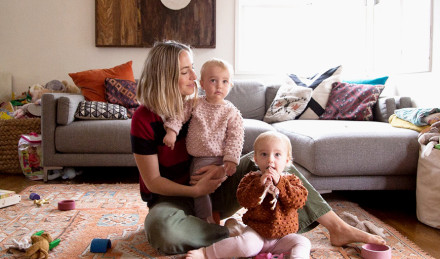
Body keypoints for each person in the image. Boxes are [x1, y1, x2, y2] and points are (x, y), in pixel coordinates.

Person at [130, 40, 385, 255]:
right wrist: (195, 189)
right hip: (172, 199)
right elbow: (153, 181)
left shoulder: (199, 104)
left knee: (271, 158)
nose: (195, 77)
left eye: (193, 69)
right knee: (162, 232)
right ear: (164, 74)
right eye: (185, 71)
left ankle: (337, 227)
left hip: (216, 189)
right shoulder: (144, 118)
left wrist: (222, 170)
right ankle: (232, 232)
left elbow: (226, 146)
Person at [186, 131, 311, 259]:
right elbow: (244, 200)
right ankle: (206, 253)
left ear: (287, 160)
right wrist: (259, 185)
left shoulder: (292, 181)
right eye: (264, 154)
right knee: (245, 246)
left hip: (283, 237)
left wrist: (280, 183)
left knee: (303, 242)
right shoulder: (251, 179)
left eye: (277, 155)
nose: (270, 160)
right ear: (256, 159)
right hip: (256, 233)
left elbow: (298, 201)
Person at [162, 58, 244, 223]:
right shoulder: (194, 103)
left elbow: (235, 137)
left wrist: (231, 160)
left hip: (220, 158)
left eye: (224, 81)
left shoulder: (231, 112)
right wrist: (171, 131)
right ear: (202, 84)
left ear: (230, 85)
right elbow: (179, 115)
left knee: (202, 186)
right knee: (199, 187)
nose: (219, 86)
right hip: (199, 158)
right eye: (213, 80)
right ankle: (206, 216)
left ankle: (207, 217)